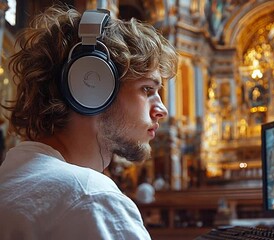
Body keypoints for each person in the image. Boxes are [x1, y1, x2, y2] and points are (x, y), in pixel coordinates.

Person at [0, 4, 177, 240]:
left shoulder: (10, 176)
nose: (161, 110)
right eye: (147, 89)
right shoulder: (90, 198)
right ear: (92, 88)